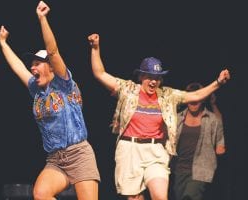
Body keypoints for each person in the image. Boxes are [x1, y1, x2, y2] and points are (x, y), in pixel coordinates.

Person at [87, 33, 230, 200]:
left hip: (156, 152)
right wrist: (95, 48)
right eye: (149, 77)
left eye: (157, 78)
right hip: (130, 150)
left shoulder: (167, 95)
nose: (154, 82)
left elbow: (196, 95)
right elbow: (100, 74)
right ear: (141, 77)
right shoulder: (128, 90)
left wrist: (217, 83)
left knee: (160, 197)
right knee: (134, 198)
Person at [0, 1, 100, 200]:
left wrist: (42, 19)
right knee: (41, 194)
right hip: (55, 159)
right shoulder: (37, 90)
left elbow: (52, 52)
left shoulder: (64, 83)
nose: (32, 68)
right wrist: (3, 44)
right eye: (32, 65)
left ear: (51, 67)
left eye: (37, 64)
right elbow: (18, 67)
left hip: (78, 154)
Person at [170, 82, 226, 200]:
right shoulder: (178, 118)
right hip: (179, 169)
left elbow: (220, 147)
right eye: (191, 99)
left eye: (198, 99)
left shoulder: (211, 119)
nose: (194, 102)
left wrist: (214, 104)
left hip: (201, 169)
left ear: (203, 99)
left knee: (189, 196)